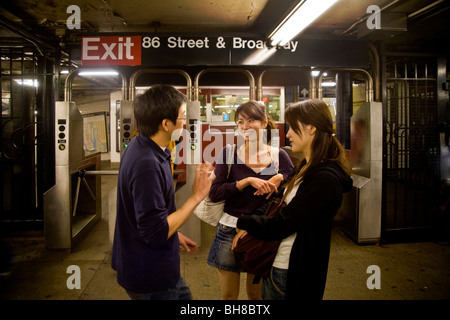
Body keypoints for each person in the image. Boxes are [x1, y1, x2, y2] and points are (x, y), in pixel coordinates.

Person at [233, 99, 352, 300]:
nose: (287, 134)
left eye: (292, 128)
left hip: (292, 271)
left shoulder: (324, 179)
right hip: (278, 263)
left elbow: (284, 223)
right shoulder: (306, 166)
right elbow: (279, 202)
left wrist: (243, 222)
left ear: (311, 128)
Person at [112, 84, 214, 300]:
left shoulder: (141, 146)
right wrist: (196, 197)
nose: (185, 122)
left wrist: (174, 234)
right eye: (181, 117)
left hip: (157, 267)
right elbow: (156, 232)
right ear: (166, 124)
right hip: (151, 277)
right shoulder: (146, 164)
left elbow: (146, 214)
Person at [207, 101, 294, 300]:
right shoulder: (228, 154)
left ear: (264, 123)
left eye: (251, 120)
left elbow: (293, 176)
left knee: (256, 295)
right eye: (240, 122)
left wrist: (280, 177)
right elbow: (215, 192)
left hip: (261, 230)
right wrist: (245, 181)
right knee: (229, 296)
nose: (245, 126)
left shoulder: (278, 155)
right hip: (230, 229)